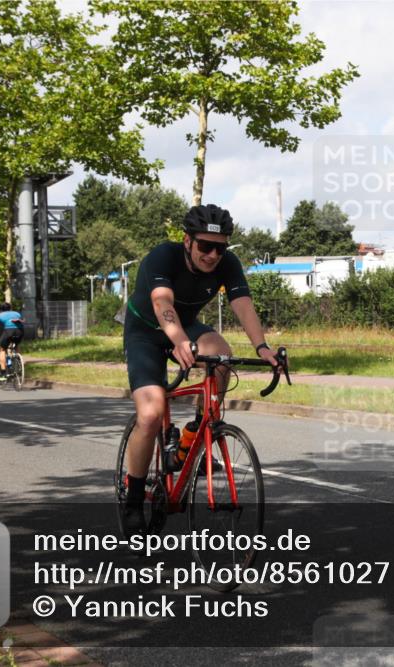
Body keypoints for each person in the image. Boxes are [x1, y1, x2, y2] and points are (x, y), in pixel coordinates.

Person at [121, 204, 277, 535]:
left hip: (187, 327)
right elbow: (162, 303)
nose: (212, 255)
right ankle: (133, 500)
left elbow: (243, 305)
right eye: (205, 246)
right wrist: (177, 340)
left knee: (221, 356)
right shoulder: (163, 257)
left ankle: (195, 434)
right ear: (187, 241)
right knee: (150, 413)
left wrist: (262, 347)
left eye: (219, 248)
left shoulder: (228, 264)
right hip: (146, 332)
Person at [0, 302, 24, 382]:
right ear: (10, 308)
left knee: (2, 350)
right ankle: (19, 361)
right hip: (20, 331)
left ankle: (3, 373)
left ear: (0, 310)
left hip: (8, 331)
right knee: (16, 345)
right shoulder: (17, 313)